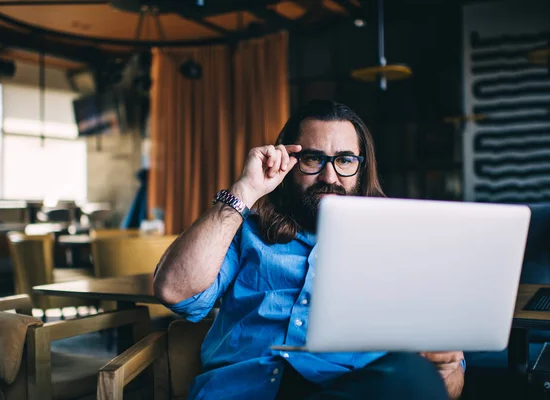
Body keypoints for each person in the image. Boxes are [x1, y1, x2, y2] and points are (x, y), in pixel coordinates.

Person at [153, 100, 465, 400]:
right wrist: (245, 190)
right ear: (288, 163)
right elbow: (174, 291)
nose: (330, 177)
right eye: (313, 159)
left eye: (344, 160)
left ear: (361, 167)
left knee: (412, 374)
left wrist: (446, 368)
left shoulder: (401, 247)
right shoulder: (245, 232)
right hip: (247, 389)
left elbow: (446, 387)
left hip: (349, 389)